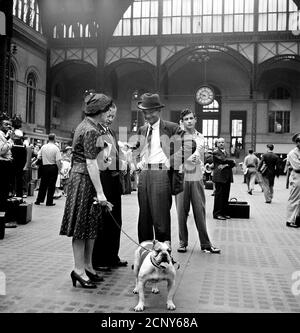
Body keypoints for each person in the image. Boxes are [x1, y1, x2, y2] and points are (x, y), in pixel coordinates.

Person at [60, 92, 113, 288]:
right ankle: (79, 270)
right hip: (84, 180)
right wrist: (100, 193)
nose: (109, 113)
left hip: (82, 178)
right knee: (82, 228)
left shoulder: (87, 126)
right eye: (107, 109)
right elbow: (91, 163)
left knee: (90, 227)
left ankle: (88, 267)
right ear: (100, 110)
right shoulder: (90, 130)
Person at [129, 92, 184, 243]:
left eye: (151, 112)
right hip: (144, 175)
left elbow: (190, 145)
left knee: (160, 217)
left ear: (159, 111)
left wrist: (172, 161)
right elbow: (136, 149)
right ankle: (146, 253)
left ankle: (163, 255)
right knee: (144, 217)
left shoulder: (172, 128)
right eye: (144, 112)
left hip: (161, 173)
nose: (147, 116)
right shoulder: (142, 130)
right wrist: (137, 161)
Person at [175, 109, 220, 254]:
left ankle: (205, 243)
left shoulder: (201, 137)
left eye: (191, 118)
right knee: (181, 211)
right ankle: (183, 242)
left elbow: (201, 155)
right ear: (182, 121)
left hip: (196, 175)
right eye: (185, 119)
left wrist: (199, 160)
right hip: (182, 174)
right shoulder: (177, 136)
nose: (189, 121)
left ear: (195, 120)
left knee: (200, 210)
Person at [92, 102, 128, 270]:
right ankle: (99, 259)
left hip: (113, 180)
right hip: (103, 179)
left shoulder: (111, 132)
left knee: (116, 219)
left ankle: (112, 255)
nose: (111, 119)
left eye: (113, 116)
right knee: (103, 220)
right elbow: (97, 159)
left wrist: (121, 163)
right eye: (108, 116)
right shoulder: (94, 131)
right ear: (100, 113)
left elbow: (114, 153)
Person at [34, 134, 62, 206]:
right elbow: (58, 160)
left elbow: (39, 157)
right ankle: (49, 202)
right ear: (54, 138)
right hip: (53, 167)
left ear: (48, 138)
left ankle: (39, 200)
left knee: (43, 184)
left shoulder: (43, 147)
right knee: (51, 185)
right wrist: (59, 169)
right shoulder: (56, 148)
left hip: (45, 167)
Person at [212, 137, 236, 220]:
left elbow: (231, 163)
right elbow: (224, 160)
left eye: (222, 142)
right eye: (219, 142)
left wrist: (226, 164)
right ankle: (217, 214)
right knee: (219, 196)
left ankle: (224, 213)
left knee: (225, 196)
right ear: (217, 144)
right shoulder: (215, 152)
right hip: (219, 177)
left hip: (227, 177)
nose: (221, 143)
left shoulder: (226, 152)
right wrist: (228, 163)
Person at [0, 116, 14, 220]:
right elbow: (2, 150)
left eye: (9, 124)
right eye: (6, 124)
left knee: (6, 189)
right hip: (2, 164)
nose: (8, 126)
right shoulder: (1, 135)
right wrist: (10, 140)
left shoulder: (4, 135)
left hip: (6, 163)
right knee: (3, 189)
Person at [286, 133, 300, 228]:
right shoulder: (293, 153)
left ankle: (297, 219)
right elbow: (298, 167)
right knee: (294, 199)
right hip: (297, 177)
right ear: (297, 142)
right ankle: (290, 220)